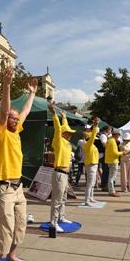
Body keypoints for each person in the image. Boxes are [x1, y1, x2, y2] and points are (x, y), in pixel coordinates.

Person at [0, 66, 37, 261]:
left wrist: (32, 94)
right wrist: (6, 86)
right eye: (12, 118)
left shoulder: (16, 131)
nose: (15, 120)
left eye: (16, 119)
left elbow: (24, 112)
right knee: (6, 229)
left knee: (20, 225)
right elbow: (5, 109)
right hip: (4, 187)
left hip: (18, 188)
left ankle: (11, 256)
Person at [48, 101, 76, 237]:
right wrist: (54, 115)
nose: (71, 134)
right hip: (59, 173)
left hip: (65, 174)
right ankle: (53, 222)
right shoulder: (59, 140)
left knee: (63, 197)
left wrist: (64, 117)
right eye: (69, 132)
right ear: (64, 133)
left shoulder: (67, 143)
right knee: (57, 199)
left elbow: (63, 128)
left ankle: (61, 217)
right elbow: (58, 129)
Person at [84, 117, 100, 206]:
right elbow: (93, 135)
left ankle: (91, 198)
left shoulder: (91, 145)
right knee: (90, 183)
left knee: (93, 182)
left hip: (94, 164)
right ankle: (87, 200)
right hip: (90, 165)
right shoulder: (88, 144)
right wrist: (95, 125)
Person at [105, 130, 124, 197]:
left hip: (110, 160)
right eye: (118, 135)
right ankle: (112, 191)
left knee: (111, 177)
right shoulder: (112, 141)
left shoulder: (110, 140)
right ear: (116, 135)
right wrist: (122, 152)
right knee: (112, 177)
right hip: (113, 161)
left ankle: (111, 190)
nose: (119, 137)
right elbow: (115, 153)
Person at [98, 126, 111, 191]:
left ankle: (104, 185)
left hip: (104, 155)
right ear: (107, 130)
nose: (110, 132)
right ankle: (104, 185)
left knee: (105, 171)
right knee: (106, 171)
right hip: (103, 156)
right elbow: (104, 145)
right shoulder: (103, 136)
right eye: (110, 130)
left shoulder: (104, 136)